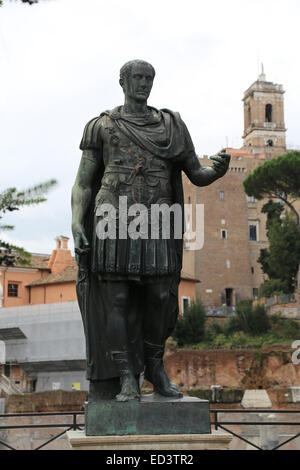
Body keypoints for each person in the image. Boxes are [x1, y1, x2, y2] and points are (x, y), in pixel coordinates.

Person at [71, 59, 230, 402]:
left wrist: (215, 172)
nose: (144, 84)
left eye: (149, 78)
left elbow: (196, 174)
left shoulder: (171, 126)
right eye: (138, 78)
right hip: (112, 217)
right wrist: (76, 221)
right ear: (123, 82)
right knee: (117, 299)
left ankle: (155, 368)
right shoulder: (102, 126)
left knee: (160, 297)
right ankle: (126, 376)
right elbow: (83, 182)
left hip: (158, 218)